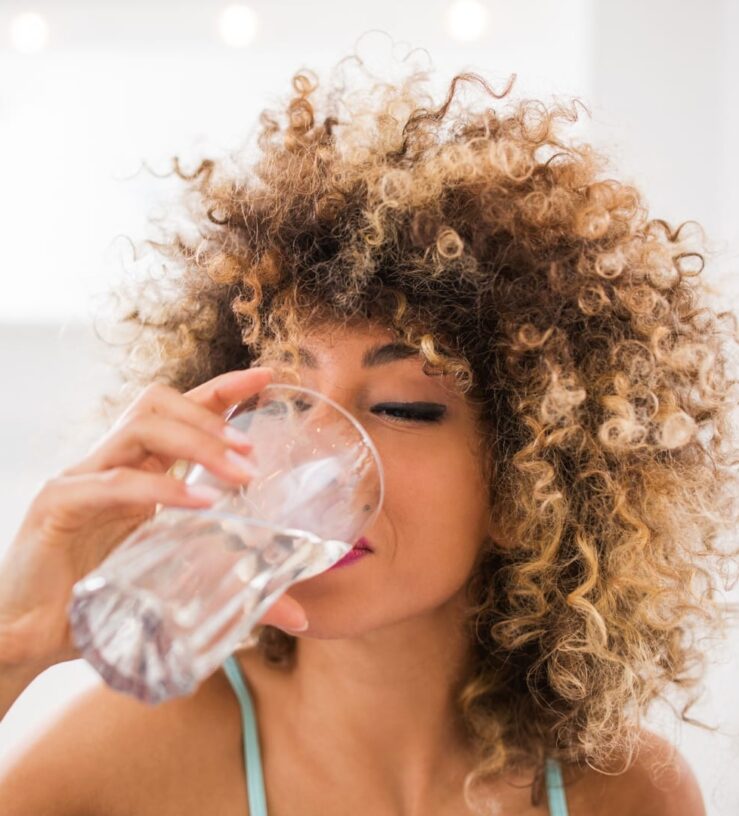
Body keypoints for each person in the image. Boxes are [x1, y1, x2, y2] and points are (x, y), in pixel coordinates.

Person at [0, 50, 736, 816]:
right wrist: (11, 645)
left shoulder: (622, 792)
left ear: (527, 489)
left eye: (400, 408)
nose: (310, 458)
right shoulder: (133, 761)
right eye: (285, 399)